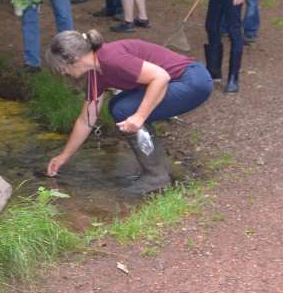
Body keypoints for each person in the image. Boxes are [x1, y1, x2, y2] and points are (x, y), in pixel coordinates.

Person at [45, 30, 213, 195]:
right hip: (181, 81)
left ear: (73, 59)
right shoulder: (96, 74)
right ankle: (159, 169)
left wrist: (139, 117)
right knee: (118, 105)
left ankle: (156, 177)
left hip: (191, 82)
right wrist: (64, 156)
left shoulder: (110, 58)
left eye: (61, 68)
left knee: (123, 109)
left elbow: (161, 77)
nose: (63, 73)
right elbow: (86, 119)